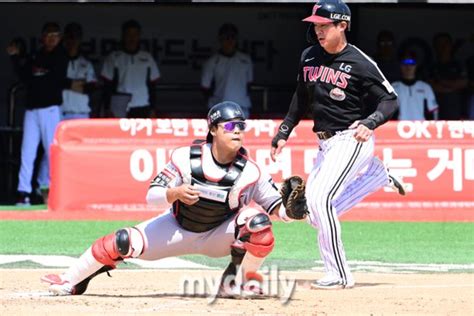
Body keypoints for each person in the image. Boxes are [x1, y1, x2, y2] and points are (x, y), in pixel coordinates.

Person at [41, 101, 292, 298]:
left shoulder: (252, 170)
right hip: (176, 229)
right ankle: (70, 281)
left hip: (218, 235)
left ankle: (239, 282)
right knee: (121, 241)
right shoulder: (185, 158)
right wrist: (175, 193)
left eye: (240, 126)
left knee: (258, 224)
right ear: (213, 130)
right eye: (229, 126)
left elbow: (277, 209)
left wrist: (293, 209)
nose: (236, 131)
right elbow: (151, 195)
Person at [270, 0, 407, 290]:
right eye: (315, 25)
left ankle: (339, 274)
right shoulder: (309, 57)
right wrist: (284, 130)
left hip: (352, 138)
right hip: (325, 145)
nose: (318, 30)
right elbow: (300, 98)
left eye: (324, 25)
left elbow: (390, 99)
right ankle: (377, 176)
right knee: (314, 215)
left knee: (318, 201)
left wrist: (370, 123)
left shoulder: (359, 61)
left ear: (341, 25)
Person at [7, 22, 69, 206]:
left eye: (55, 35)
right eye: (48, 35)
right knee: (27, 151)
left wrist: (37, 71)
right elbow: (26, 76)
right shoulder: (36, 55)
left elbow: (52, 78)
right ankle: (23, 192)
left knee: (52, 152)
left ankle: (54, 190)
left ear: (59, 38)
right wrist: (16, 58)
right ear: (43, 37)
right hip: (32, 110)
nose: (51, 39)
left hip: (50, 110)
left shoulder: (61, 55)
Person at [101, 19, 160, 118]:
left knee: (141, 134)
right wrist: (107, 108)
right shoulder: (114, 57)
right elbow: (107, 86)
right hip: (119, 106)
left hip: (142, 105)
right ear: (123, 36)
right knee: (118, 134)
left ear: (139, 36)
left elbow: (152, 86)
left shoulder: (147, 57)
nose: (132, 38)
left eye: (135, 34)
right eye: (128, 34)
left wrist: (153, 108)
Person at [201, 23, 253, 118]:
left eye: (232, 37)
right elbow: (205, 88)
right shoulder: (212, 61)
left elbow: (249, 85)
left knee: (239, 132)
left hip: (242, 108)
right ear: (220, 39)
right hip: (218, 109)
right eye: (226, 37)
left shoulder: (245, 59)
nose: (229, 40)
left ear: (236, 39)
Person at [60, 22, 97, 120]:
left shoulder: (86, 63)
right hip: (60, 113)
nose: (72, 41)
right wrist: (77, 84)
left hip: (81, 114)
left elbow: (91, 88)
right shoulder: (57, 62)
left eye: (75, 37)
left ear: (80, 39)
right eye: (69, 37)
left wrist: (66, 83)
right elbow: (55, 83)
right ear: (64, 39)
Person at [428, 33, 468, 120]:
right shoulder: (430, 67)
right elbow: (430, 87)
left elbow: (463, 83)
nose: (443, 47)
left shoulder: (459, 64)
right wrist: (452, 86)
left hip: (458, 112)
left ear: (450, 45)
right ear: (435, 46)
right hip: (437, 113)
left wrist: (442, 82)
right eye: (439, 44)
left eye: (445, 43)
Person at [392, 52, 438, 120]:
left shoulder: (425, 87)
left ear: (416, 65)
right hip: (399, 127)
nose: (408, 66)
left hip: (421, 127)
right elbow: (387, 112)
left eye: (411, 63)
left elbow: (434, 111)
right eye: (405, 63)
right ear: (400, 65)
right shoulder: (393, 87)